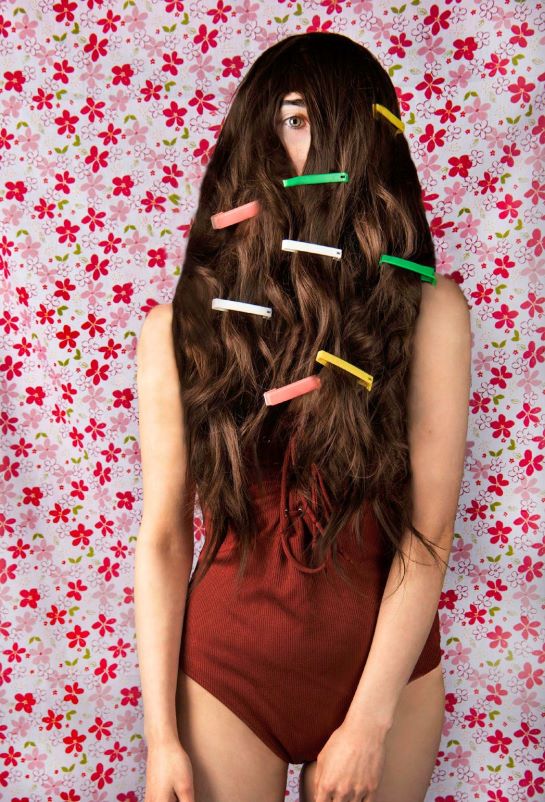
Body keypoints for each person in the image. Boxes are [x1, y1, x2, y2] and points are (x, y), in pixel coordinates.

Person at [134, 32, 471, 802]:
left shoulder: (428, 310)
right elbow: (160, 536)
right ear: (256, 133)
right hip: (227, 674)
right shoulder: (178, 327)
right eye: (290, 118)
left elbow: (427, 532)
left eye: (331, 119)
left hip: (383, 673)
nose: (309, 141)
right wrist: (160, 739)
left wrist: (368, 724)